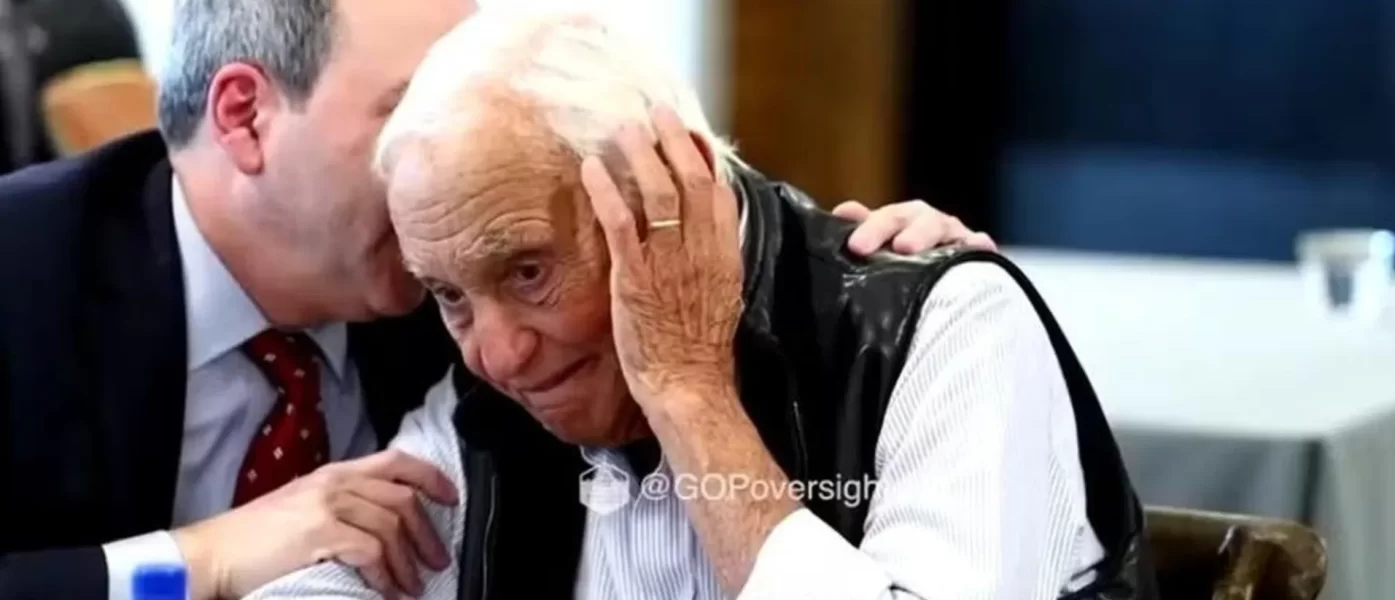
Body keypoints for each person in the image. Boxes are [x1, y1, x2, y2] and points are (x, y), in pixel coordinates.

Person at [0, 1, 996, 600]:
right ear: (245, 117)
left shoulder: (464, 300)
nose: (450, 152)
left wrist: (886, 281)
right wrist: (196, 563)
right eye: (412, 107)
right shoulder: (23, 266)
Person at [244, 6, 1156, 600]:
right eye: (449, 295)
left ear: (666, 196)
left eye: (528, 274)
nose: (497, 355)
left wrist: (688, 393)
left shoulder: (943, 332)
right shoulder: (491, 401)